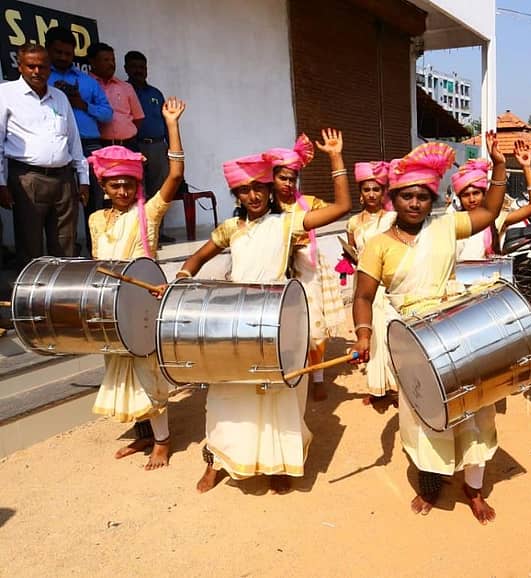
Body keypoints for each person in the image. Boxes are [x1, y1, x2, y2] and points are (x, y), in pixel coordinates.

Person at [176, 129, 350, 494]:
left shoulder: (286, 223)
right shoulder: (230, 229)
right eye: (244, 190)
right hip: (236, 322)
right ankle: (218, 460)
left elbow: (341, 209)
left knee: (280, 394)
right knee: (226, 394)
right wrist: (181, 276)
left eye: (259, 188)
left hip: (276, 321)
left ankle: (278, 465)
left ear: (271, 191)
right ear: (235, 194)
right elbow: (198, 256)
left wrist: (335, 158)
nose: (252, 196)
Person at [350, 135, 506, 524]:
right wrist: (364, 334)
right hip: (411, 338)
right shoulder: (378, 244)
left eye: (422, 196)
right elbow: (364, 297)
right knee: (426, 414)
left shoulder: (444, 226)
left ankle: (473, 487)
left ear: (431, 198)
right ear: (393, 199)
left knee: (473, 408)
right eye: (407, 196)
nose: (415, 203)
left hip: (454, 328)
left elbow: (489, 211)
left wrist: (500, 166)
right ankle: (432, 484)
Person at [87, 98, 185, 470]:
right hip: (110, 307)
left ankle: (163, 440)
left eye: (129, 184)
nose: (124, 191)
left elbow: (175, 176)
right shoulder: (97, 219)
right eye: (116, 185)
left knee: (147, 374)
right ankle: (143, 434)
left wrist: (170, 125)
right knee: (121, 372)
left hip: (144, 304)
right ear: (105, 186)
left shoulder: (149, 213)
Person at [266, 135, 350, 402]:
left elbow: (340, 208)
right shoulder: (263, 206)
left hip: (306, 268)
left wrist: (335, 158)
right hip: (274, 270)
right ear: (272, 178)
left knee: (314, 328)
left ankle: (316, 377)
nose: (289, 184)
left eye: (293, 178)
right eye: (283, 178)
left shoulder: (309, 204)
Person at [0, 43, 89, 267]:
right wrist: (0, 184)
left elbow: (73, 140)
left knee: (65, 243)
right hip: (28, 179)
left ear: (49, 69)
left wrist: (84, 179)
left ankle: (62, 296)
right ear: (20, 66)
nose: (37, 71)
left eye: (43, 66)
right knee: (30, 244)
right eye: (31, 66)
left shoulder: (59, 96)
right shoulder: (6, 94)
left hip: (64, 179)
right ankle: (33, 297)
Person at [45, 27, 113, 251]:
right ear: (48, 50)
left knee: (94, 199)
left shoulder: (87, 82)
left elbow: (107, 113)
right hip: (57, 146)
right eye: (58, 52)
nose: (64, 57)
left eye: (68, 53)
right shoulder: (42, 78)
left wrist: (83, 105)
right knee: (64, 201)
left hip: (90, 145)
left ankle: (98, 248)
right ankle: (69, 250)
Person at [346, 160, 396, 405]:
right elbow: (352, 251)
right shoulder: (353, 223)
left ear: (384, 192)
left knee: (390, 332)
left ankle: (397, 384)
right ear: (361, 194)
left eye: (377, 189)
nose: (372, 194)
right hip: (366, 285)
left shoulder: (394, 218)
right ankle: (377, 386)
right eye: (367, 189)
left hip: (389, 284)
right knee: (371, 333)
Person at [452, 139, 531, 261]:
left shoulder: (495, 219)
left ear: (484, 195)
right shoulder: (452, 222)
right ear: (459, 199)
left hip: (489, 278)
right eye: (466, 195)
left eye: (476, 193)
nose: (472, 199)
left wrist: (526, 167)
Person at [124, 50, 175, 244]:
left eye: (142, 67)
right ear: (126, 68)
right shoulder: (125, 90)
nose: (139, 71)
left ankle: (158, 233)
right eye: (134, 67)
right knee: (137, 192)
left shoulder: (155, 93)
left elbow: (167, 122)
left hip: (158, 147)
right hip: (134, 146)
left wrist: (171, 151)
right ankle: (140, 236)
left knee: (159, 192)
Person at [88, 43, 143, 150]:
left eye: (113, 60)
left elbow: (138, 118)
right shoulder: (86, 85)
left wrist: (125, 133)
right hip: (101, 146)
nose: (111, 64)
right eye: (106, 60)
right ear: (92, 62)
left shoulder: (126, 87)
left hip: (129, 145)